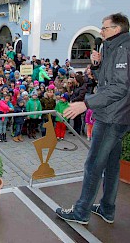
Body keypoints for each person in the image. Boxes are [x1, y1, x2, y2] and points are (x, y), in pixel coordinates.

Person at [56, 13, 130, 225]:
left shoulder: (124, 50)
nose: (101, 31)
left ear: (117, 29)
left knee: (93, 164)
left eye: (105, 28)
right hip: (116, 113)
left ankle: (81, 212)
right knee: (112, 164)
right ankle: (107, 208)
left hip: (112, 116)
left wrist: (86, 103)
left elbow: (119, 88)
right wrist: (97, 66)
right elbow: (106, 81)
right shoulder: (111, 47)